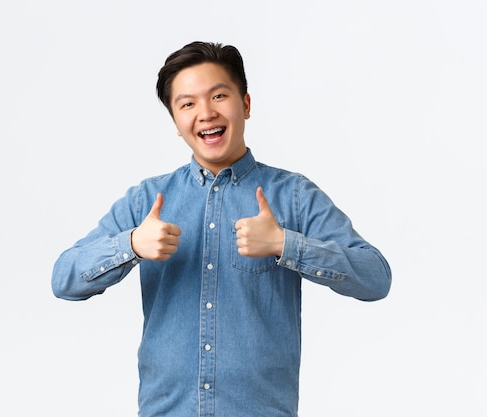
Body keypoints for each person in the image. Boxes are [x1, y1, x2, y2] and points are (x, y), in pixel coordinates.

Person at [52, 41, 392, 417]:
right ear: (176, 122)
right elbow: (64, 279)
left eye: (219, 96)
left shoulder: (294, 196)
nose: (206, 113)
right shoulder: (146, 200)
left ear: (245, 104)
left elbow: (376, 278)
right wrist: (130, 244)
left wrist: (285, 243)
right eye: (187, 104)